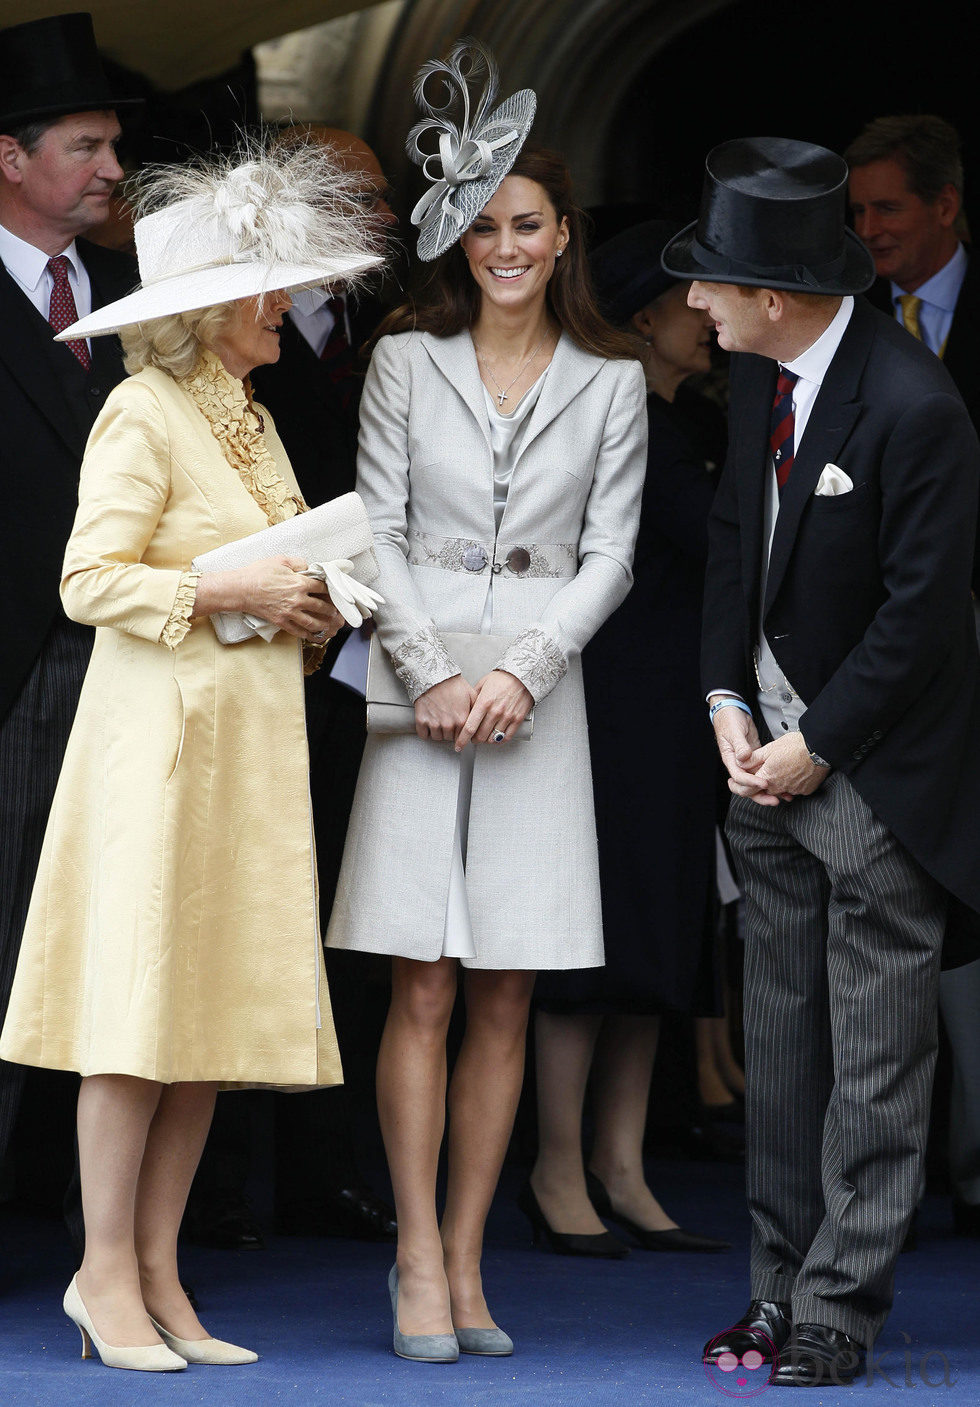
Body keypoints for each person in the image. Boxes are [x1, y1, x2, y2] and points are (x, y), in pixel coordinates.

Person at [0, 138, 382, 1370]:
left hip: (244, 748)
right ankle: (101, 1272)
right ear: (217, 307)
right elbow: (86, 579)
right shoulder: (141, 407)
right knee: (135, 1019)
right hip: (156, 750)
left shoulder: (251, 420)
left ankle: (159, 1270)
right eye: (270, 286)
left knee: (203, 1021)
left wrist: (307, 611)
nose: (288, 304)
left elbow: (267, 576)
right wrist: (238, 588)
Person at [326, 41, 647, 1362]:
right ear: (457, 234)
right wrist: (437, 669)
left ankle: (467, 1257)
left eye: (529, 225)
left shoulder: (617, 380)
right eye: (485, 225)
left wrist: (520, 671)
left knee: (507, 989)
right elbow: (372, 530)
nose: (506, 247)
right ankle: (412, 1250)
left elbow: (613, 554)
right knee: (421, 982)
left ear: (561, 234)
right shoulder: (404, 359)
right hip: (421, 687)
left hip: (538, 695)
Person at [661, 136, 980, 1386]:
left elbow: (922, 615)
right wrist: (725, 700)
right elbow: (735, 542)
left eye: (710, 284)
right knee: (782, 1051)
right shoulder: (760, 384)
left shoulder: (916, 405)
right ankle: (774, 1294)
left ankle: (837, 1312)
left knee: (876, 1060)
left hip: (877, 782)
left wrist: (815, 745)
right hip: (762, 767)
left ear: (774, 299)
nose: (692, 303)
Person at [528, 218, 730, 1258]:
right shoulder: (618, 424)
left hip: (671, 710)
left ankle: (619, 1163)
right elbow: (703, 541)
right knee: (588, 944)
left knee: (655, 936)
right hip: (603, 707)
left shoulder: (687, 418)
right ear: (642, 320)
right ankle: (558, 1166)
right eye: (686, 300)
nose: (706, 317)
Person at [0, 9, 139, 1197]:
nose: (110, 170)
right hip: (15, 677)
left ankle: (74, 1215)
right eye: (86, 146)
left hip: (138, 662)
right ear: (12, 156)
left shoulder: (142, 291)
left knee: (120, 946)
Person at [847, 117, 980, 1239]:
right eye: (855, 212)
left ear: (944, 206)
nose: (868, 230)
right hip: (880, 666)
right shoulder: (846, 331)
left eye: (887, 207)